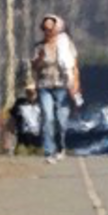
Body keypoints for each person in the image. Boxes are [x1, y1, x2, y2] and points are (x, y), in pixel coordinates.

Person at [28, 12, 83, 157]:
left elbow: (73, 67)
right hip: (44, 85)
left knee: (61, 119)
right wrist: (39, 60)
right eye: (45, 29)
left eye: (51, 29)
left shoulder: (66, 45)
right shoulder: (39, 47)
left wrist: (76, 84)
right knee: (47, 117)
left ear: (57, 29)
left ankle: (60, 146)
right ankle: (48, 149)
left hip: (62, 86)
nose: (48, 32)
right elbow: (33, 67)